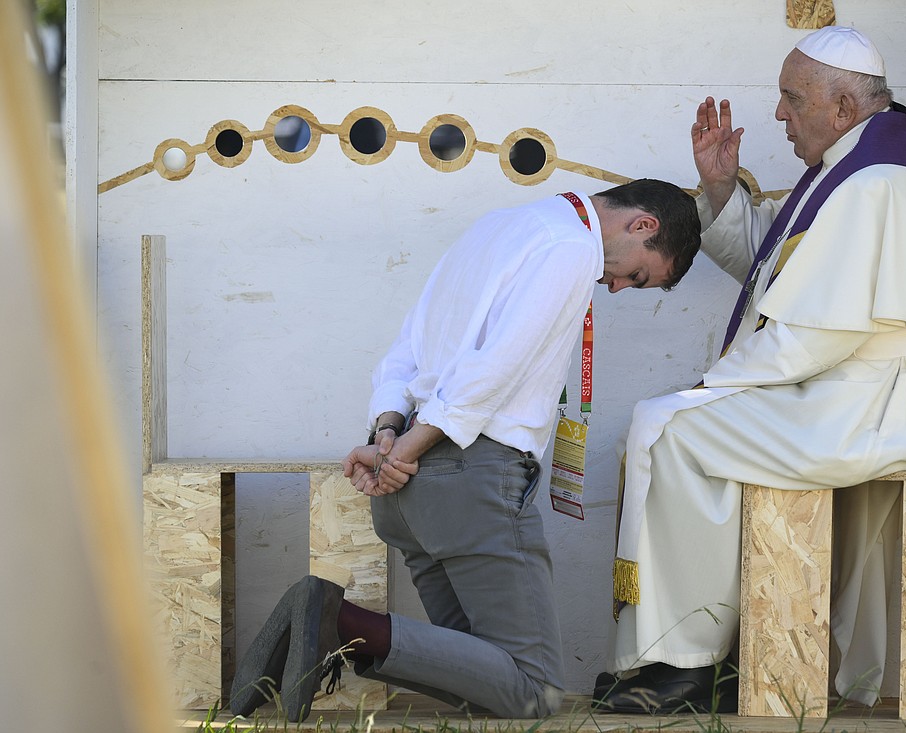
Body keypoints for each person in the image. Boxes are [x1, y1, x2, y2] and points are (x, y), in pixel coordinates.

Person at [595, 26, 906, 714]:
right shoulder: (855, 163)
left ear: (840, 105)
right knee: (675, 422)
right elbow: (785, 272)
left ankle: (689, 662)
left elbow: (816, 330)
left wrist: (710, 388)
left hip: (887, 399)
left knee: (675, 430)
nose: (779, 113)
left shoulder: (880, 181)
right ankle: (702, 650)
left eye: (790, 97)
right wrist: (720, 189)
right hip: (864, 388)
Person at [229, 178, 702, 721]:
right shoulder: (571, 246)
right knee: (535, 692)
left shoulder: (497, 226)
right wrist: (409, 445)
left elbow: (409, 345)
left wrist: (386, 434)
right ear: (643, 225)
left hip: (413, 490)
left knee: (479, 680)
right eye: (636, 275)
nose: (615, 287)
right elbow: (497, 366)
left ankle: (330, 626)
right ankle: (339, 625)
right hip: (470, 479)